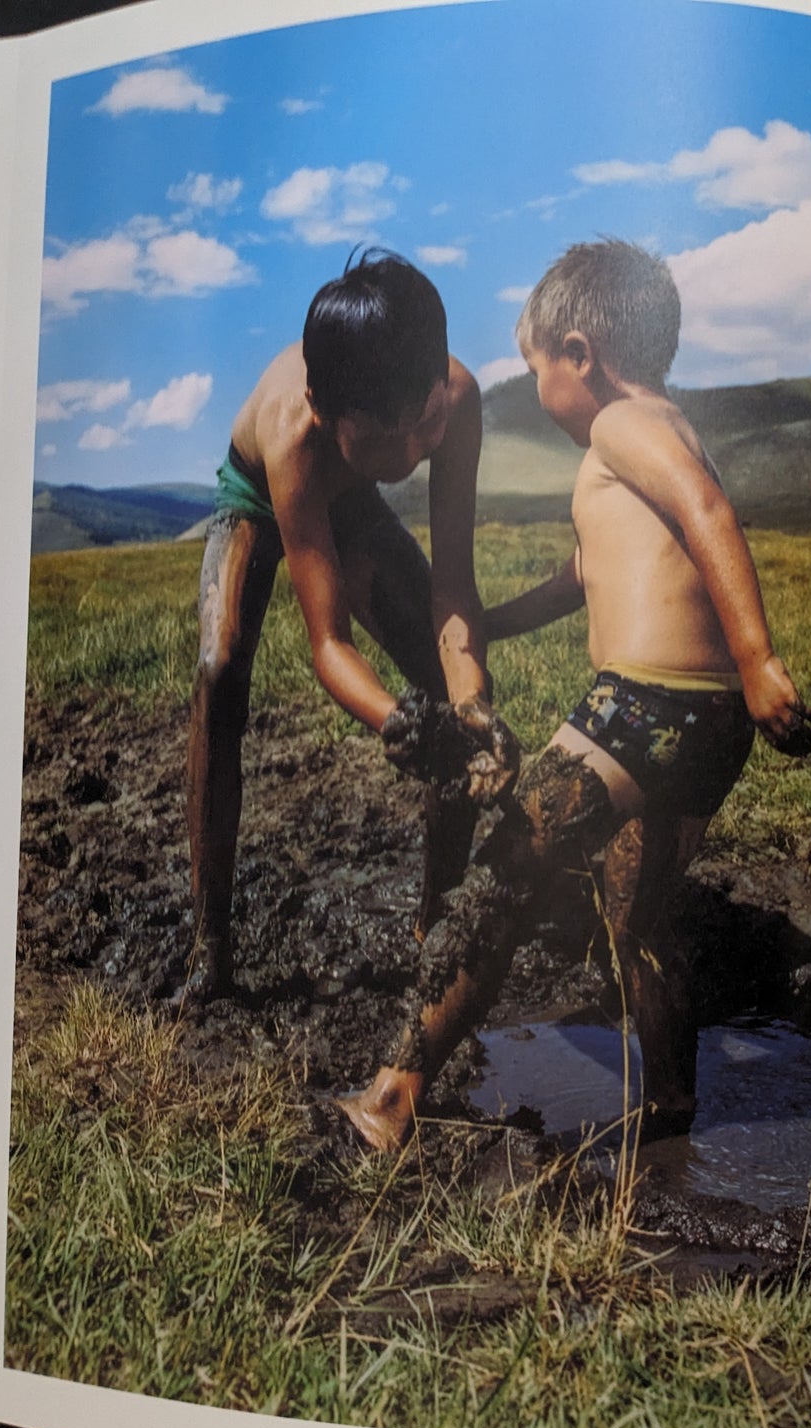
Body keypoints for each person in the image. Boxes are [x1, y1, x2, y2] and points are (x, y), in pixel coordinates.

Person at [337, 239, 811, 1149]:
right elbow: (583, 574)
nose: (535, 389)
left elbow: (709, 510)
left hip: (644, 707)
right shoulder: (663, 428)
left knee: (502, 879)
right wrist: (491, 621)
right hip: (706, 730)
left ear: (577, 355)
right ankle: (672, 1105)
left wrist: (760, 657)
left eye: (534, 367)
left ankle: (392, 1099)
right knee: (637, 919)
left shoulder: (620, 427)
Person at [180, 248, 505, 1007]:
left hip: (345, 496)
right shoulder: (296, 434)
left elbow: (453, 586)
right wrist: (403, 725)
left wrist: (465, 706)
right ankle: (210, 947)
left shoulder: (453, 398)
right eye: (383, 441)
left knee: (443, 686)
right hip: (264, 496)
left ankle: (437, 928)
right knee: (220, 670)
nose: (410, 455)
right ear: (329, 416)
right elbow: (329, 643)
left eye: (422, 426)